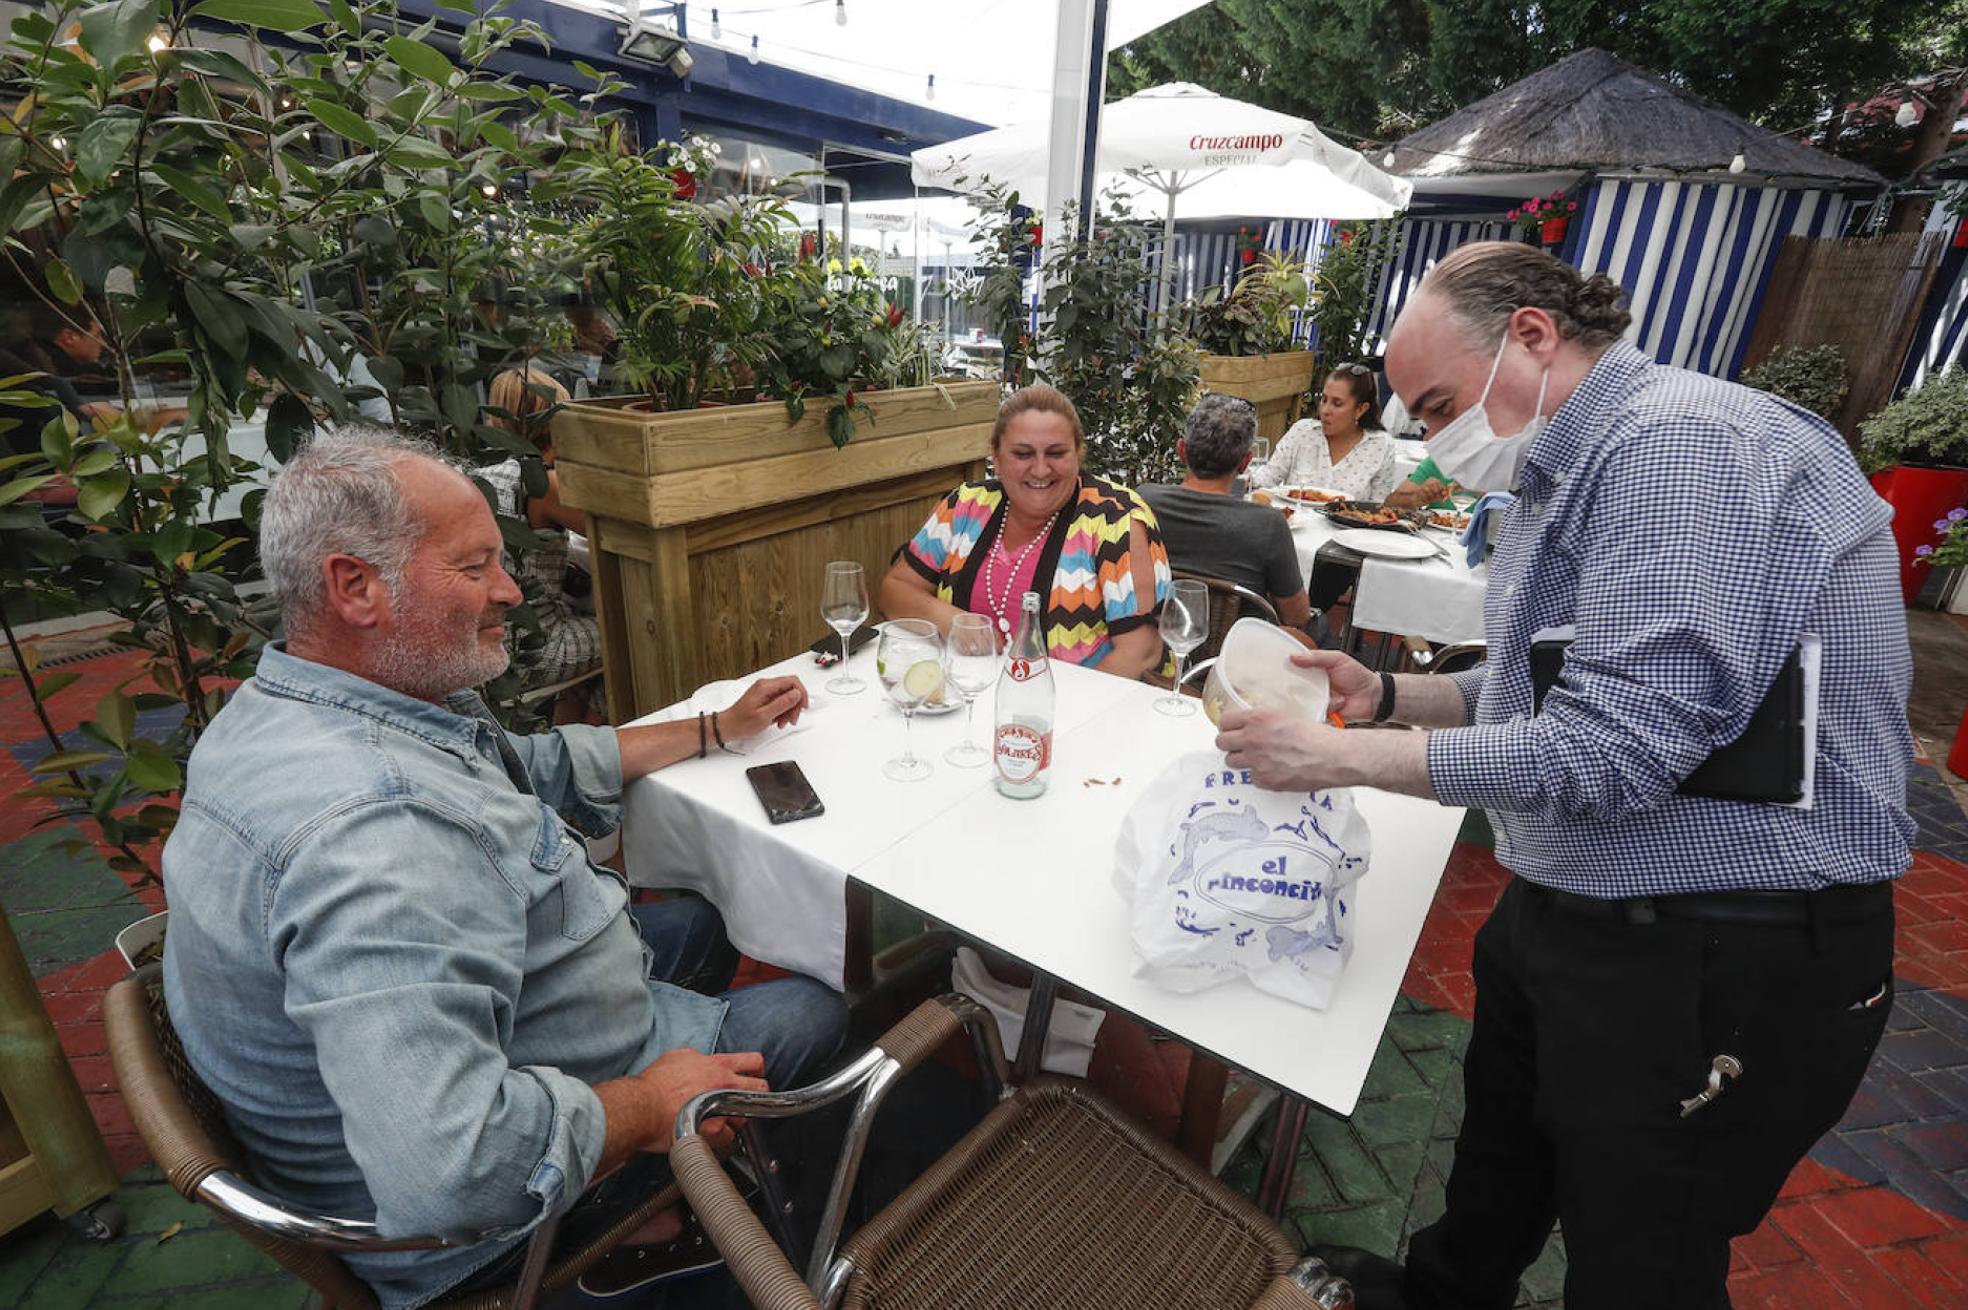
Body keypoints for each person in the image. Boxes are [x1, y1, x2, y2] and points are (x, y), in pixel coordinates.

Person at [1215, 243, 1910, 1309]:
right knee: (1503, 1150)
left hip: (1724, 935)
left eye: (1440, 401)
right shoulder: (1575, 459)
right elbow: (1560, 677)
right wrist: (1390, 695)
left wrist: (1341, 755)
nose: (1435, 442)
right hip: (1586, 899)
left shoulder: (1681, 445)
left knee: (1643, 1242)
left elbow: (1611, 746)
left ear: (1533, 336)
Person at [162, 427, 847, 1310]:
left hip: (484, 1042)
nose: (511, 590)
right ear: (354, 585)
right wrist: (642, 1109)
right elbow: (452, 1171)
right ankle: (658, 1220)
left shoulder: (303, 702)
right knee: (811, 1011)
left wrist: (717, 729)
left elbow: (528, 768)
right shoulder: (378, 839)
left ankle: (659, 1187)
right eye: (476, 566)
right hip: (465, 1228)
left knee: (703, 922)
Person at [880, 384, 1171, 679]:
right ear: (996, 457)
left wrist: (1055, 713)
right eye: (1022, 454)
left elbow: (1141, 653)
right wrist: (951, 619)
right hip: (967, 696)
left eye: (1056, 453)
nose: (1041, 470)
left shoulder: (1116, 520)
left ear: (1078, 454)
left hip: (1084, 712)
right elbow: (894, 590)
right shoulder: (966, 505)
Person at [476, 366, 601, 719]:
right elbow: (623, 533)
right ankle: (608, 748)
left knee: (588, 626)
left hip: (493, 641)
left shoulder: (486, 477)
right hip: (531, 653)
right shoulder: (542, 483)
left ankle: (571, 741)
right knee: (635, 634)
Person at [1138, 393, 1316, 638]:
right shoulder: (1268, 525)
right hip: (1236, 659)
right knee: (1319, 628)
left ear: (1182, 450)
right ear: (1245, 463)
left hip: (1152, 647)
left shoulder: (1143, 501)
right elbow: (1296, 616)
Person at [1250, 362, 1399, 500]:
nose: (1325, 410)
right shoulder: (1303, 432)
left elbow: (1377, 508)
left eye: (1337, 403)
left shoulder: (1380, 446)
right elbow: (1266, 479)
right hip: (1294, 524)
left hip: (1349, 528)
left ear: (1360, 409)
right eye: (1324, 400)